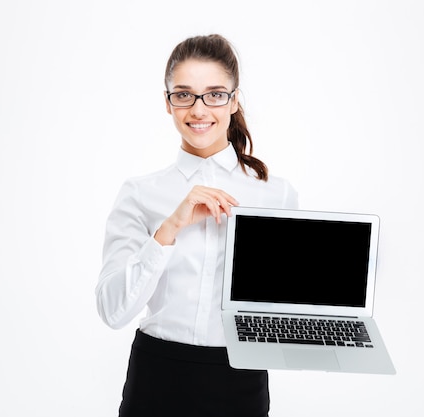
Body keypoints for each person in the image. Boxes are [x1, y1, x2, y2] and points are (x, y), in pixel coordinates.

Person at [95, 34, 298, 417]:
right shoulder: (140, 194)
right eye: (184, 94)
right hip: (157, 377)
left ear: (234, 100)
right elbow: (113, 311)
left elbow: (284, 304)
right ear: (168, 102)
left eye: (215, 94)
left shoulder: (276, 195)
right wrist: (170, 227)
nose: (199, 109)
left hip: (240, 381)